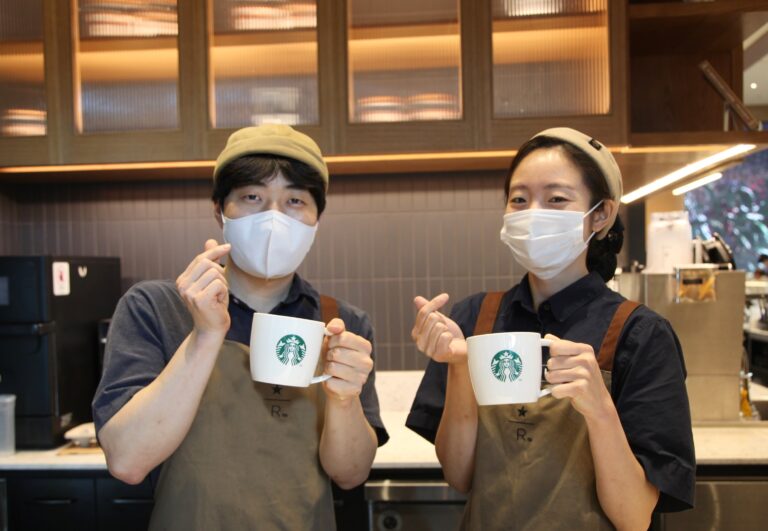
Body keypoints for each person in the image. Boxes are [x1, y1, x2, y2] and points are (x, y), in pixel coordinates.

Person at [93, 125, 388, 530]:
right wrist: (205, 335)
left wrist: (343, 399)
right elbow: (127, 460)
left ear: (317, 219)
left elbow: (350, 474)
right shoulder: (156, 308)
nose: (273, 218)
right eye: (252, 197)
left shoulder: (340, 324)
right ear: (219, 210)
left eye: (295, 200)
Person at [407, 128, 695, 530]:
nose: (532, 213)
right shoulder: (474, 318)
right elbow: (460, 476)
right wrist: (459, 366)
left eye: (556, 199)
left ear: (600, 214)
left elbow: (633, 517)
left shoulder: (640, 334)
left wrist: (599, 409)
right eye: (519, 199)